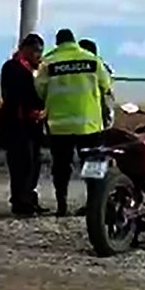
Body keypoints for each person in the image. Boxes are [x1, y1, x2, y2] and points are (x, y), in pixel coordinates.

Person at [36, 29, 112, 217]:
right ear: (74, 41)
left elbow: (39, 90)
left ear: (57, 43)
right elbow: (106, 85)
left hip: (59, 126)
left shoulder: (49, 62)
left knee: (61, 167)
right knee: (92, 166)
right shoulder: (92, 60)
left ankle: (62, 205)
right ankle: (93, 205)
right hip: (90, 125)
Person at [0, 33, 48, 217]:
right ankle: (20, 201)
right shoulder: (13, 67)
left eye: (40, 51)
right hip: (17, 123)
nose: (38, 55)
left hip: (33, 124)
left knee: (34, 162)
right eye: (35, 51)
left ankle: (30, 197)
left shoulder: (36, 70)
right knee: (21, 163)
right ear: (25, 50)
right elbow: (15, 95)